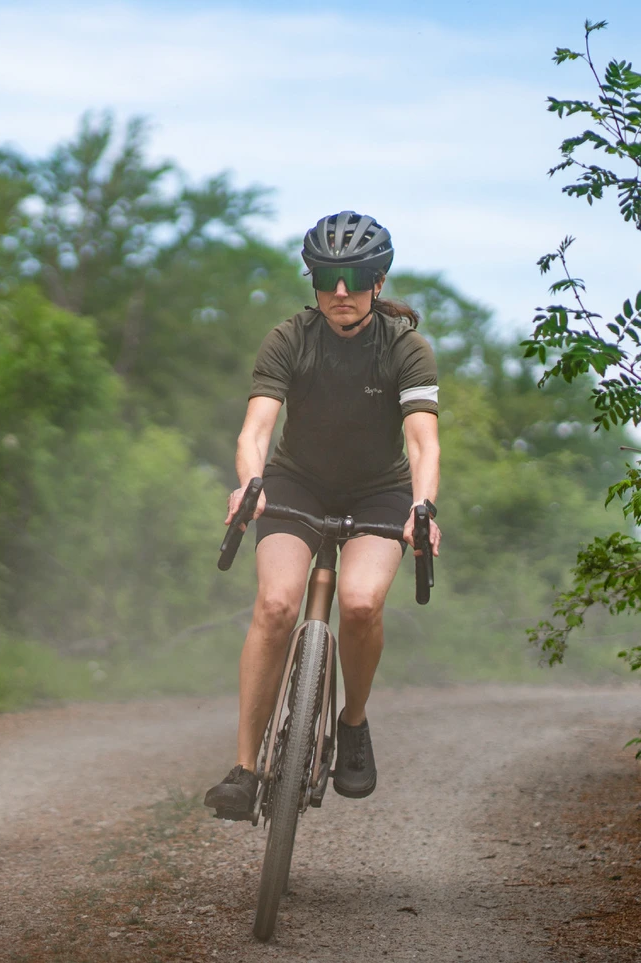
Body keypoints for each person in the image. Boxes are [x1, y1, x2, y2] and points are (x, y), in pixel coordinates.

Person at [204, 211, 441, 820]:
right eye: (327, 277)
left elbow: (422, 443)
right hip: (298, 484)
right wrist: (250, 484)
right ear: (312, 280)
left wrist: (422, 506)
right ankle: (244, 769)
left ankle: (353, 721)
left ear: (378, 282)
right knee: (276, 605)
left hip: (379, 492)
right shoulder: (289, 337)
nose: (340, 291)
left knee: (359, 604)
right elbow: (256, 428)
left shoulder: (405, 348)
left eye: (355, 278)